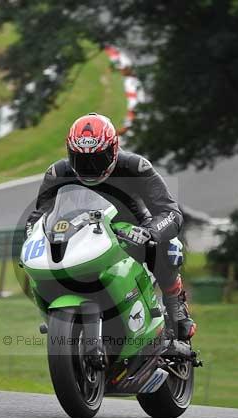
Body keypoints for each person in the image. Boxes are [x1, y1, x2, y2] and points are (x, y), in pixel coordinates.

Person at [26, 113, 196, 340]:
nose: (89, 167)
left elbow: (170, 212)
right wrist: (32, 235)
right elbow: (38, 216)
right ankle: (58, 314)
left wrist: (150, 232)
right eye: (80, 160)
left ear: (113, 149)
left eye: (97, 159)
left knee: (169, 245)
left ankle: (176, 306)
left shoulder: (136, 167)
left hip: (131, 233)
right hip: (81, 235)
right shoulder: (57, 173)